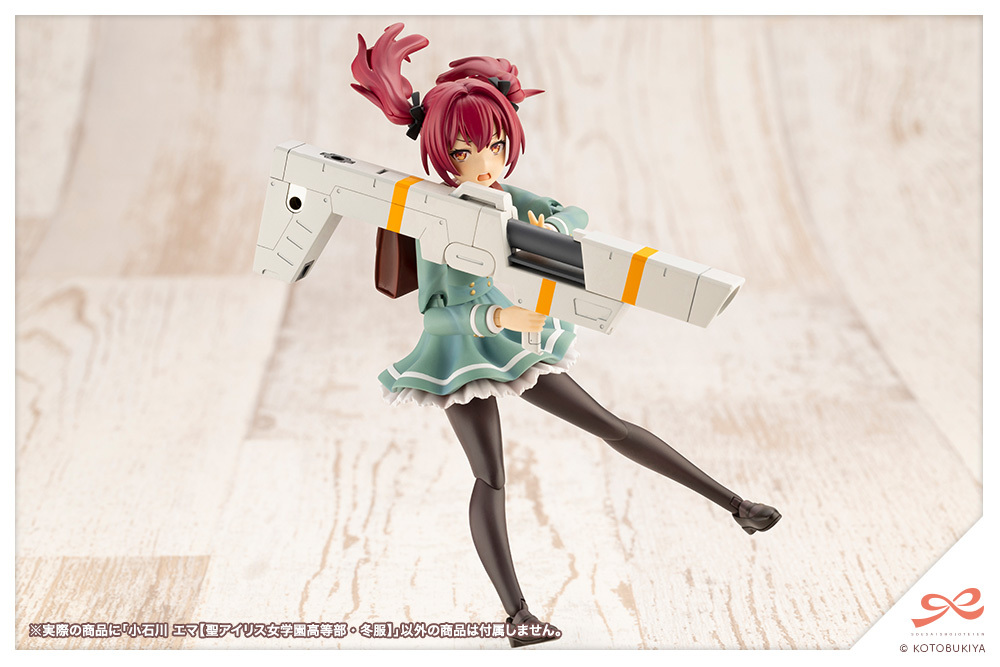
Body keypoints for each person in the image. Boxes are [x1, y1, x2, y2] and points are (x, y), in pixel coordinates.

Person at [351, 23, 780, 648]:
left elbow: (566, 213)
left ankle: (735, 505)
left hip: (514, 344)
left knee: (608, 424)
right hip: (459, 354)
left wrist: (548, 224)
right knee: (491, 476)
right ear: (444, 153)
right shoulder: (434, 215)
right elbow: (436, 312)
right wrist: (495, 319)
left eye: (497, 146)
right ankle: (518, 615)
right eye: (466, 152)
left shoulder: (501, 193)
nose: (485, 165)